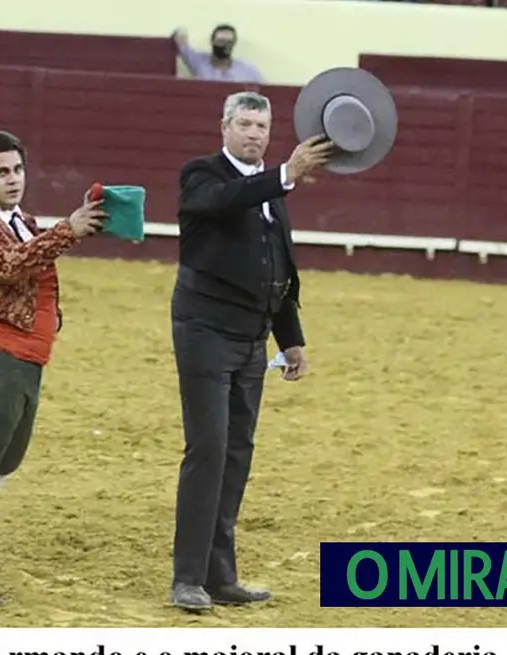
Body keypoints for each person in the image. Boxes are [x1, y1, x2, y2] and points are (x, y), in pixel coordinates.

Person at [169, 91, 334, 612]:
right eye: (244, 124)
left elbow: (276, 267)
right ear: (223, 127)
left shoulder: (270, 192)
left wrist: (291, 338)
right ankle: (187, 578)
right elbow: (220, 202)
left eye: (262, 126)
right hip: (204, 331)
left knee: (237, 453)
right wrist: (284, 174)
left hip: (250, 339)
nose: (253, 134)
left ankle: (221, 576)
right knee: (209, 449)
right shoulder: (203, 174)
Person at [0, 130, 106, 610]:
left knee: (1, 467)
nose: (13, 179)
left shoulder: (21, 220)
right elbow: (9, 267)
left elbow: (31, 272)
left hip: (27, 361)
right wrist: (67, 230)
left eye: (18, 169)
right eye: (1, 172)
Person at [171, 24, 264, 84]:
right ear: (212, 41)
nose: (225, 46)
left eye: (229, 42)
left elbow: (267, 89)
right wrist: (181, 31)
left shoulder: (246, 70)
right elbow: (180, 40)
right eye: (221, 41)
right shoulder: (199, 62)